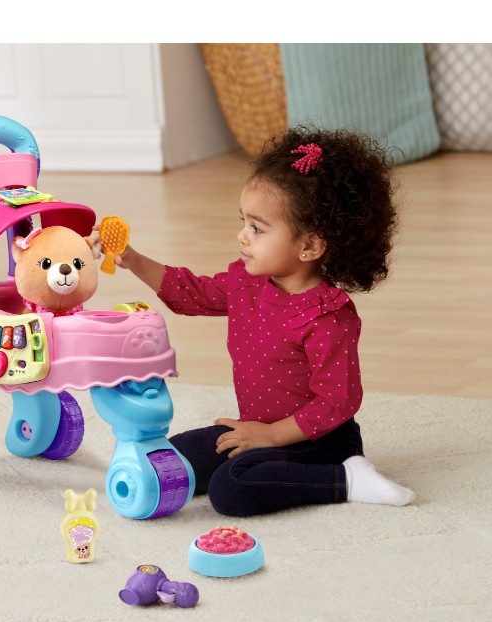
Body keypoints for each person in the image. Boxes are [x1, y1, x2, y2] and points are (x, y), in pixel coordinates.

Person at [109, 126, 416, 517]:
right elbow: (193, 293)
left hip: (320, 442)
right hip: (259, 428)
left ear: (310, 245)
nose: (242, 236)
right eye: (244, 222)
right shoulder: (247, 282)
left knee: (232, 487)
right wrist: (134, 259)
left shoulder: (327, 317)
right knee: (173, 456)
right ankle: (265, 461)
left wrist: (271, 435)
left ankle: (347, 479)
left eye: (257, 228)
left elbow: (337, 402)